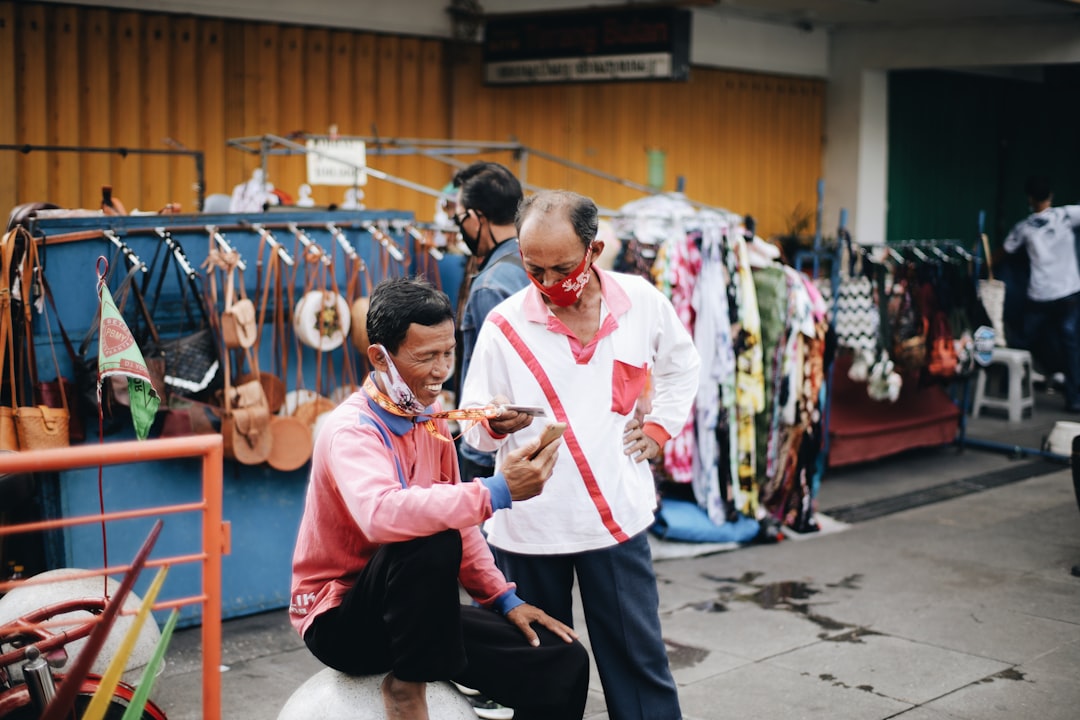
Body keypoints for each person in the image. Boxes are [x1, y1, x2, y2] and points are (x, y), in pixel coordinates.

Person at [288, 275, 589, 720]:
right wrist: (496, 490)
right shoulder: (349, 430)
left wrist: (505, 601)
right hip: (343, 623)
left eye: (447, 353)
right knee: (429, 537)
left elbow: (463, 525)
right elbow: (382, 515)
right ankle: (406, 689)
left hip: (415, 618)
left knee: (560, 656)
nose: (440, 370)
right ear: (380, 357)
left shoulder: (430, 421)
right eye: (426, 356)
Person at [460, 189, 701, 720]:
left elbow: (684, 366)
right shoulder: (503, 326)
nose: (547, 283)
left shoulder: (641, 301)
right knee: (540, 672)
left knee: (638, 665)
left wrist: (660, 429)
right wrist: (491, 422)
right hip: (529, 528)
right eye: (534, 268)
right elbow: (473, 429)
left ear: (594, 250)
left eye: (562, 267)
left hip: (615, 520)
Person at [451, 161, 530, 484]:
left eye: (459, 219)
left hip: (491, 450)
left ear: (476, 217)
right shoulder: (538, 265)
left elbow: (493, 377)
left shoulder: (490, 286)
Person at [1002, 175, 1080, 412]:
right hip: (1068, 293)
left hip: (1041, 295)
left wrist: (980, 265)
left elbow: (1005, 250)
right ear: (1051, 196)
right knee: (1071, 346)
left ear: (1030, 199)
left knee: (1023, 341)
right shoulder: (1066, 215)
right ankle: (1075, 399)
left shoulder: (1024, 228)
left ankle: (1009, 388)